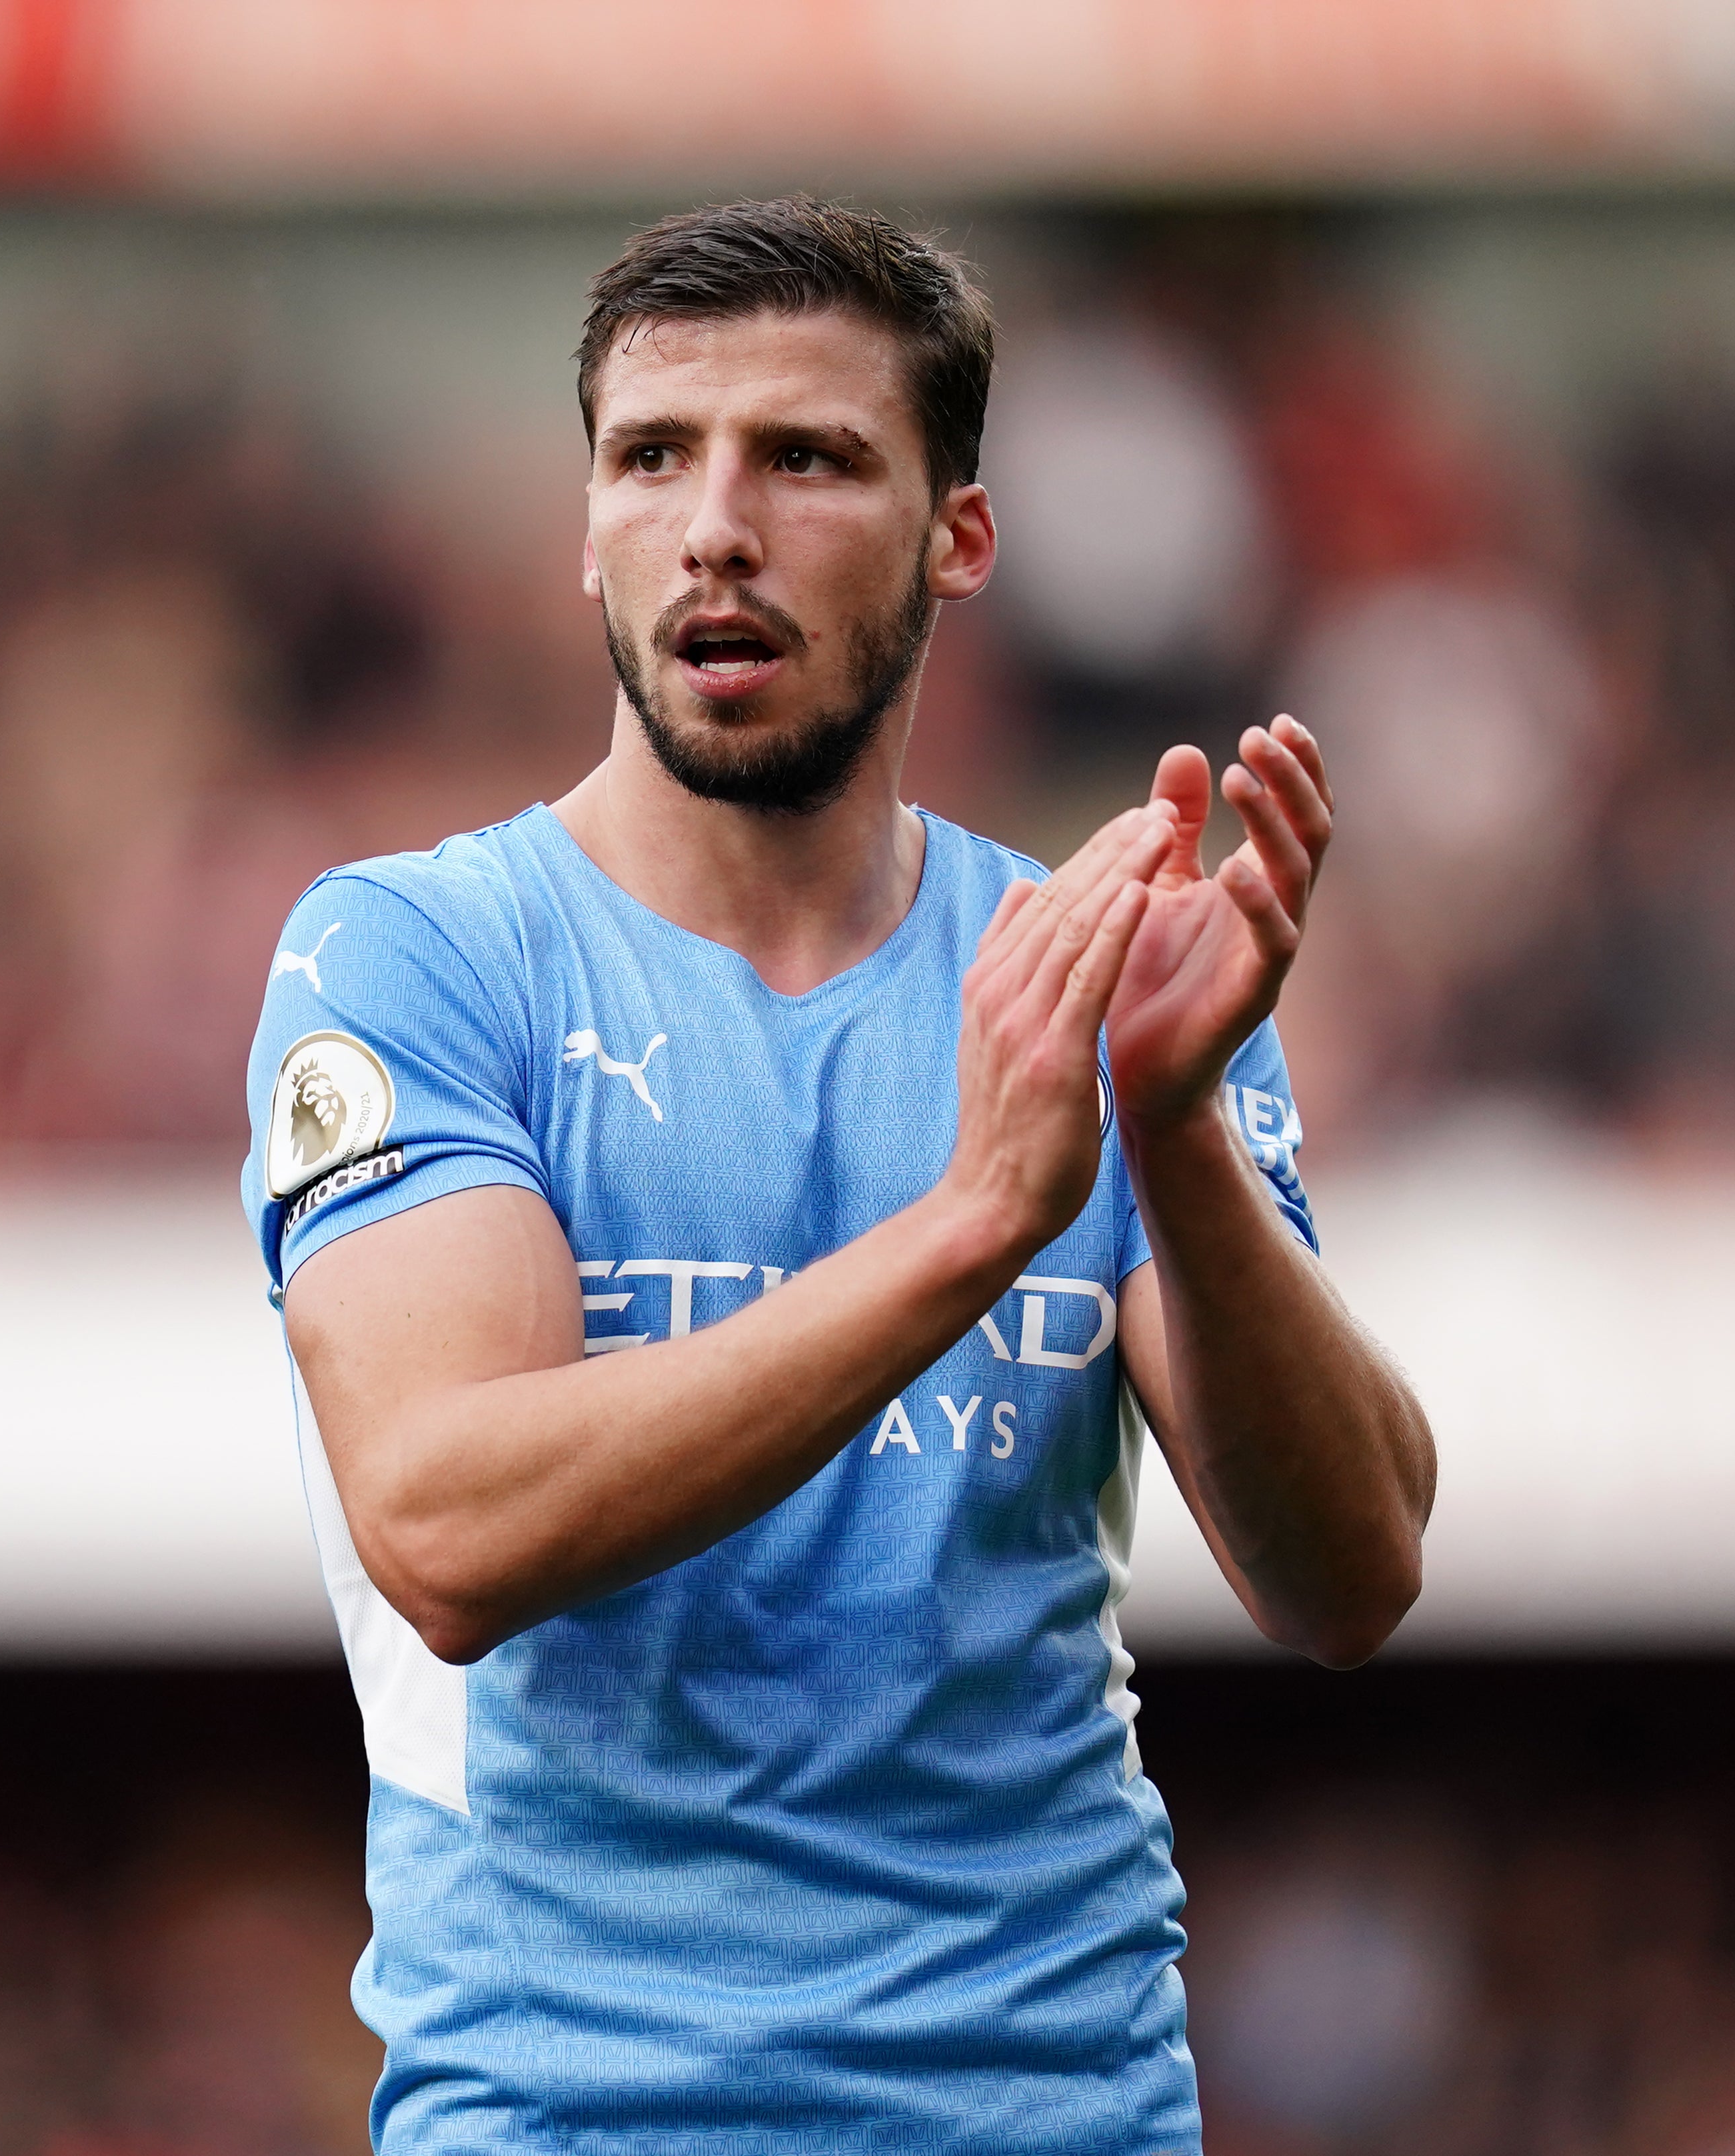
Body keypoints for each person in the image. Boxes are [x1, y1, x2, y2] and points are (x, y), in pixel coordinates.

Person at [239, 199, 1434, 2152]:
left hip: (1060, 2107)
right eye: (652, 457)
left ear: (955, 538)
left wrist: (1176, 1132)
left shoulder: (1091, 976)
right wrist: (974, 1220)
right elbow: (448, 1525)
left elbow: (1351, 1571)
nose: (717, 523)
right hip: (580, 2114)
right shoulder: (413, 955)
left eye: (805, 458)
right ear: (586, 526)